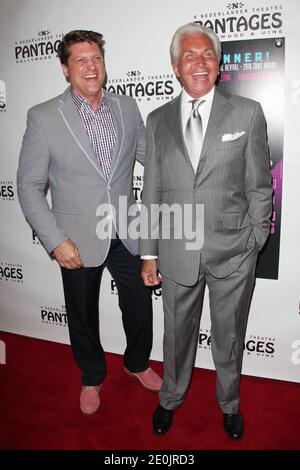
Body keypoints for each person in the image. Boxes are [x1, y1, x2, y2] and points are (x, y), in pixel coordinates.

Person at [17, 30, 162, 416]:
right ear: (66, 69)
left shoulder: (127, 108)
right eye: (80, 60)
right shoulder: (44, 116)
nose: (91, 66)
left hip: (127, 232)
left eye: (96, 57)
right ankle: (92, 374)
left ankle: (136, 363)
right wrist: (54, 240)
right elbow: (29, 187)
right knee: (81, 312)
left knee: (139, 305)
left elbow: (152, 159)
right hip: (75, 238)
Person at [140, 23, 272, 440]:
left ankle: (229, 404)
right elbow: (153, 191)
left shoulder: (247, 112)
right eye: (189, 56)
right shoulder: (158, 119)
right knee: (176, 336)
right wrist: (148, 253)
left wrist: (254, 241)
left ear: (219, 64)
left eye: (207, 55)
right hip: (177, 251)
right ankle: (170, 399)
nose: (199, 62)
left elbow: (259, 185)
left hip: (233, 250)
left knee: (229, 337)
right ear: (175, 67)